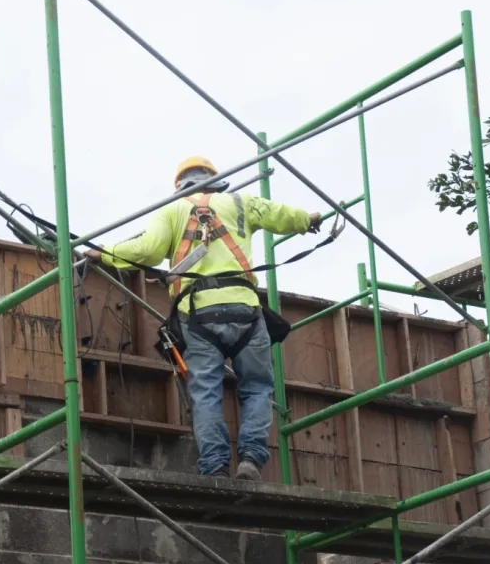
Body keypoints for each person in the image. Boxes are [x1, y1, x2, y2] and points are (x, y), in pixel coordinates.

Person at [84, 156, 320, 481]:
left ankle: (216, 468)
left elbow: (149, 250)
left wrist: (105, 252)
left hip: (198, 315)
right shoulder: (239, 201)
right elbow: (279, 215)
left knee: (205, 392)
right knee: (257, 388)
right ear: (215, 179)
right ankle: (251, 459)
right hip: (245, 311)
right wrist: (308, 220)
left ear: (181, 187)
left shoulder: (173, 211)